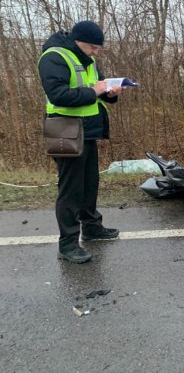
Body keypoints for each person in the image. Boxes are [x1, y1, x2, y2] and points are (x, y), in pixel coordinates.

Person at [38, 21, 122, 263]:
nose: (96, 52)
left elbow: (97, 89)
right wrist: (95, 91)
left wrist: (110, 93)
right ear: (77, 40)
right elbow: (59, 95)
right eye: (92, 47)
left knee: (89, 183)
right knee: (71, 189)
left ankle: (92, 228)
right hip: (64, 128)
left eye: (98, 48)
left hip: (88, 129)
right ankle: (67, 244)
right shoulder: (53, 56)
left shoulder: (88, 59)